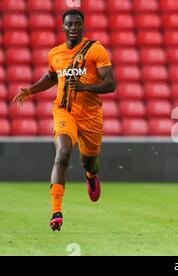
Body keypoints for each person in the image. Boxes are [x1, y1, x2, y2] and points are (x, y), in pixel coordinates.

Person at [13, 9, 117, 231]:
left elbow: (111, 84)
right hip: (64, 111)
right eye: (69, 24)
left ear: (83, 26)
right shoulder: (55, 54)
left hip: (90, 115)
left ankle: (91, 175)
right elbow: (52, 76)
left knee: (89, 162)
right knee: (62, 154)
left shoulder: (95, 49)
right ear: (63, 27)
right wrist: (29, 91)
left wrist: (84, 87)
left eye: (77, 23)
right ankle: (56, 212)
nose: (73, 27)